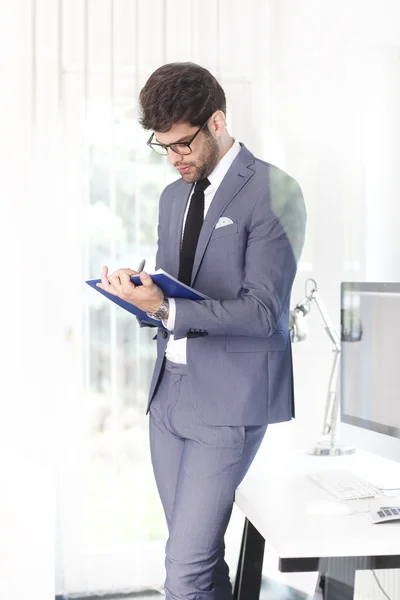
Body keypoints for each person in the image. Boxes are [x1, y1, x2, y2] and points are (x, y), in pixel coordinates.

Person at [97, 62, 306, 600]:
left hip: (229, 402)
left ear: (216, 122)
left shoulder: (274, 190)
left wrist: (166, 307)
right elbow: (175, 293)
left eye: (183, 144)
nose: (174, 158)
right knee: (200, 559)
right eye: (163, 146)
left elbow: (264, 312)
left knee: (183, 573)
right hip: (168, 396)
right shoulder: (174, 197)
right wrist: (138, 294)